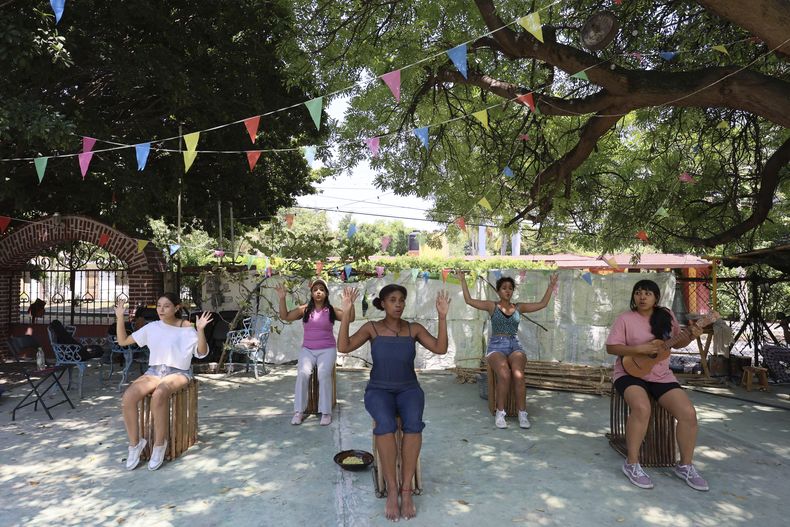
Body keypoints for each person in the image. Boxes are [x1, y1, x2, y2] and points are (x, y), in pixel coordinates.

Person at [337, 284, 450, 522]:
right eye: (392, 300)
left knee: (413, 425)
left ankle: (406, 490)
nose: (398, 304)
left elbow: (441, 349)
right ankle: (391, 490)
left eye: (401, 300)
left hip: (409, 389)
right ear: (383, 303)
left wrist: (442, 316)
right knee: (386, 425)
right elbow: (343, 346)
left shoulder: (413, 329)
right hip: (379, 390)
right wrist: (346, 312)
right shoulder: (373, 329)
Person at [606, 279, 708, 491]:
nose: (642, 297)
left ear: (656, 298)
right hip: (629, 372)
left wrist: (691, 335)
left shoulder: (666, 315)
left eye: (647, 293)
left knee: (688, 413)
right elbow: (612, 348)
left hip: (661, 374)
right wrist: (640, 350)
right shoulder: (625, 318)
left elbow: (675, 342)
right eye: (638, 293)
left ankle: (685, 466)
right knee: (642, 408)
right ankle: (632, 463)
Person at [114, 293, 212, 471]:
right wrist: (120, 317)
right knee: (128, 397)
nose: (161, 309)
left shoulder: (187, 328)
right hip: (154, 370)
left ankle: (159, 444)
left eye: (166, 306)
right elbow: (123, 341)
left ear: (176, 308)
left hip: (179, 372)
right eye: (159, 305)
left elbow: (202, 352)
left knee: (159, 394)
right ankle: (135, 444)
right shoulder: (152, 327)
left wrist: (201, 330)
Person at [456, 270, 558, 429]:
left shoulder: (519, 307)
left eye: (510, 288)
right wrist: (462, 280)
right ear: (498, 291)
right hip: (496, 345)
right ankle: (500, 412)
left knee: (518, 374)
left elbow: (542, 304)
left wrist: (551, 286)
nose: (507, 290)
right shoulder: (492, 306)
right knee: (504, 374)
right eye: (504, 288)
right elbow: (469, 300)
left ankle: (522, 413)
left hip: (514, 344)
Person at [276, 279, 353, 426]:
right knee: (302, 374)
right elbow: (285, 316)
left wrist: (349, 305)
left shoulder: (331, 310)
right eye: (315, 289)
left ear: (326, 293)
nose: (318, 291)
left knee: (324, 374)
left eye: (322, 289)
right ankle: (299, 411)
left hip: (327, 349)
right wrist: (282, 298)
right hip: (308, 350)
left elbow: (351, 318)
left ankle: (326, 412)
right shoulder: (304, 309)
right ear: (311, 293)